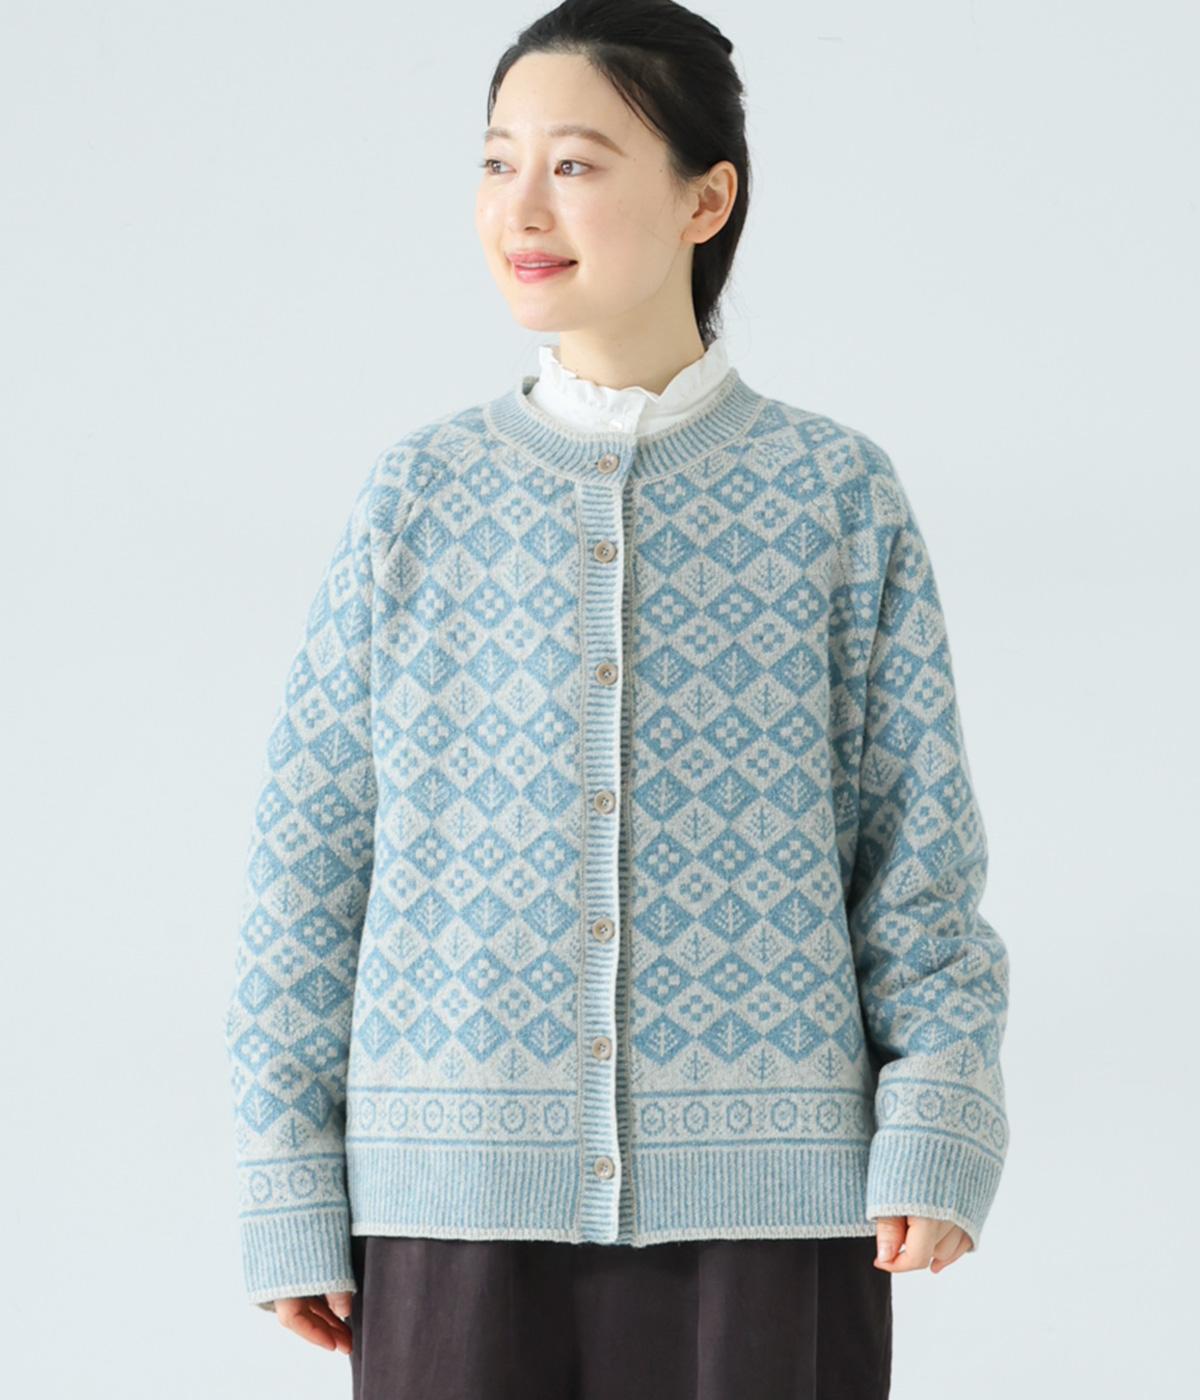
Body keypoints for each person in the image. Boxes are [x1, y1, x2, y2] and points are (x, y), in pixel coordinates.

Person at [223, 3, 1010, 1396]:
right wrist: (287, 1169)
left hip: (771, 1214)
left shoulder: (834, 495)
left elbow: (917, 854)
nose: (520, 206)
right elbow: (310, 858)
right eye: (496, 162)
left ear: (708, 198)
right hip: (452, 1200)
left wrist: (938, 1114)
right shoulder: (420, 497)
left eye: (575, 163)